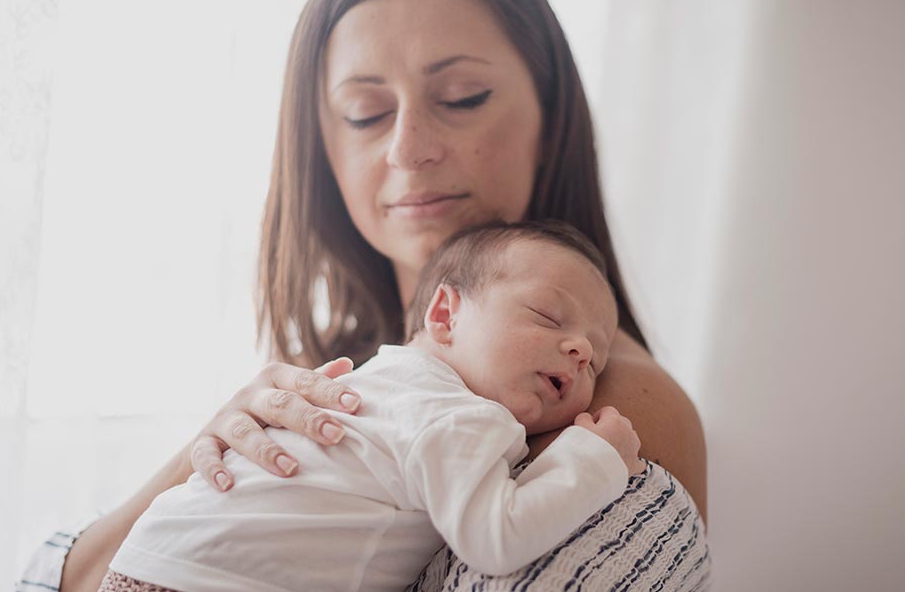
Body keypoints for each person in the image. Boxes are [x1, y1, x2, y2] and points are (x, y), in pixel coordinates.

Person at [22, 0, 709, 590]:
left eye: (463, 97)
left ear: (550, 117)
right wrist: (202, 458)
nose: (408, 149)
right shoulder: (340, 384)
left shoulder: (609, 407)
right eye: (366, 113)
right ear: (324, 145)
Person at [100, 221, 645, 591]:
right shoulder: (457, 413)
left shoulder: (384, 382)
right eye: (549, 317)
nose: (580, 352)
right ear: (445, 316)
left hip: (152, 560)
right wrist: (593, 458)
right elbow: (497, 540)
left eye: (595, 363)